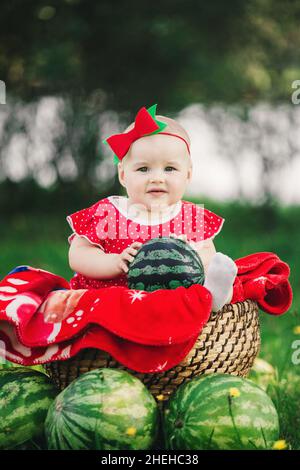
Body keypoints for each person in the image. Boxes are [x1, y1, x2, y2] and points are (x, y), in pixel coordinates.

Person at [67, 104, 237, 312]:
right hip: (110, 302)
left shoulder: (190, 216)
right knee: (106, 307)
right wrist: (113, 262)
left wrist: (190, 255)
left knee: (199, 289)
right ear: (123, 174)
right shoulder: (109, 213)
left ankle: (214, 297)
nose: (157, 178)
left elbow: (208, 256)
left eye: (170, 168)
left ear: (188, 175)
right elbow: (78, 255)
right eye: (143, 168)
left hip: (171, 303)